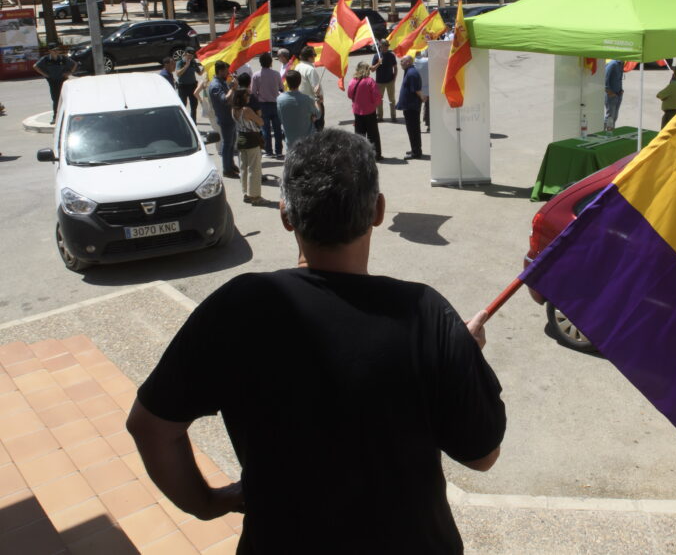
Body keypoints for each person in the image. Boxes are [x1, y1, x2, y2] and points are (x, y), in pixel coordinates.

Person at [127, 130, 505, 554]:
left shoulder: (238, 307)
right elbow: (481, 455)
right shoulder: (427, 314)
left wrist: (207, 504)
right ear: (378, 211)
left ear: (286, 215)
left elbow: (150, 427)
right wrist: (463, 356)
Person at [232, 88, 265, 204]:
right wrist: (258, 115)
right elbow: (261, 122)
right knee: (254, 168)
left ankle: (246, 193)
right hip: (251, 139)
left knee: (243, 167)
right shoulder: (246, 110)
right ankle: (255, 196)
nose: (249, 97)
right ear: (242, 97)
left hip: (241, 139)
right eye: (247, 95)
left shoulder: (234, 110)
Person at [208, 60, 239, 178]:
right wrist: (233, 88)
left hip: (230, 117)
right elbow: (225, 99)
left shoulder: (222, 82)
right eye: (226, 71)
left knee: (231, 144)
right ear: (220, 71)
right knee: (227, 144)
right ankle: (227, 169)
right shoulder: (216, 85)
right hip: (225, 118)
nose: (228, 73)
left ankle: (230, 164)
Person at [347, 62, 384, 161]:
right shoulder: (370, 81)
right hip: (369, 111)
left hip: (357, 111)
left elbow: (350, 95)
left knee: (359, 135)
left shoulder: (352, 81)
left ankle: (360, 156)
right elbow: (377, 97)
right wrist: (374, 104)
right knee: (373, 134)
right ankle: (376, 155)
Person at [252, 52, 285, 159]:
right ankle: (279, 151)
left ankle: (268, 151)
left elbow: (253, 92)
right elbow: (281, 88)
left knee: (265, 129)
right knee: (277, 129)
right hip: (275, 104)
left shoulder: (256, 75)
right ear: (270, 62)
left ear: (260, 63)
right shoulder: (276, 74)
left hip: (262, 105)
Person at [33, 43, 77, 123]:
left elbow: (74, 64)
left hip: (63, 80)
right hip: (52, 81)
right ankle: (55, 117)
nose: (57, 51)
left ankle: (67, 116)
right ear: (50, 51)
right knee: (55, 99)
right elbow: (35, 66)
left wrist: (69, 73)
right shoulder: (46, 59)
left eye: (58, 50)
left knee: (65, 98)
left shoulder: (63, 58)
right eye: (55, 50)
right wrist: (45, 75)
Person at [277, 70, 320, 150]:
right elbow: (318, 114)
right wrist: (317, 99)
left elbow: (279, 117)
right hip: (307, 141)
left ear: (287, 82)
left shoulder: (280, 99)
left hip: (290, 141)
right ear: (299, 82)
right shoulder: (307, 99)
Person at [397, 55, 424, 159]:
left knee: (413, 130)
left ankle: (416, 152)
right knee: (412, 129)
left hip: (412, 107)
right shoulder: (409, 71)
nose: (400, 63)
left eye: (402, 61)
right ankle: (415, 149)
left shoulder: (412, 73)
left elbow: (416, 89)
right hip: (409, 106)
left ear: (408, 62)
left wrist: (422, 98)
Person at [295, 45, 324, 130]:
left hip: (301, 102)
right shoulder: (310, 70)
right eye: (314, 55)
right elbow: (316, 88)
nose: (315, 56)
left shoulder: (297, 66)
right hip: (313, 104)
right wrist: (320, 100)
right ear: (309, 57)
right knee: (318, 128)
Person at [371, 39, 398, 122]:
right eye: (385, 45)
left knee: (392, 100)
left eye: (387, 45)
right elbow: (372, 69)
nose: (387, 47)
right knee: (379, 100)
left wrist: (394, 78)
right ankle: (380, 116)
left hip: (390, 81)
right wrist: (378, 63)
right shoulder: (376, 56)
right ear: (381, 46)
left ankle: (393, 116)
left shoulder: (391, 55)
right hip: (379, 82)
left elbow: (395, 67)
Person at [176, 47, 202, 122]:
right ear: (185, 54)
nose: (191, 56)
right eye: (189, 55)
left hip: (192, 86)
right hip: (183, 87)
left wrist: (205, 67)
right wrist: (186, 66)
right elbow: (178, 74)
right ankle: (183, 121)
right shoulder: (180, 62)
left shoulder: (193, 62)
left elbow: (199, 73)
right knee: (183, 105)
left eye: (192, 55)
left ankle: (193, 122)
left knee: (194, 106)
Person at [604, 59, 624, 131]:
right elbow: (605, 77)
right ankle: (604, 132)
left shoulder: (621, 63)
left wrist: (621, 90)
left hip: (618, 94)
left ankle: (610, 131)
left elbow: (619, 78)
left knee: (614, 116)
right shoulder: (613, 64)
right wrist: (608, 90)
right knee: (610, 116)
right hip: (611, 94)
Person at [414, 48, 430, 132]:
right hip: (427, 89)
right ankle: (429, 125)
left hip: (417, 90)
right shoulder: (427, 61)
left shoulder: (413, 62)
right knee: (428, 108)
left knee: (417, 109)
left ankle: (416, 125)